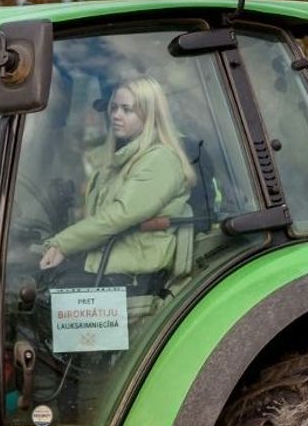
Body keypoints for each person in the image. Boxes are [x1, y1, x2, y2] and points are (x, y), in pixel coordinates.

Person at [39, 77, 194, 293]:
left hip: (137, 273)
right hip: (111, 261)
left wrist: (62, 244)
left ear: (149, 114)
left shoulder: (159, 160)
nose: (115, 116)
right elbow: (97, 213)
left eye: (126, 110)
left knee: (51, 289)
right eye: (113, 108)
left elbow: (120, 214)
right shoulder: (123, 160)